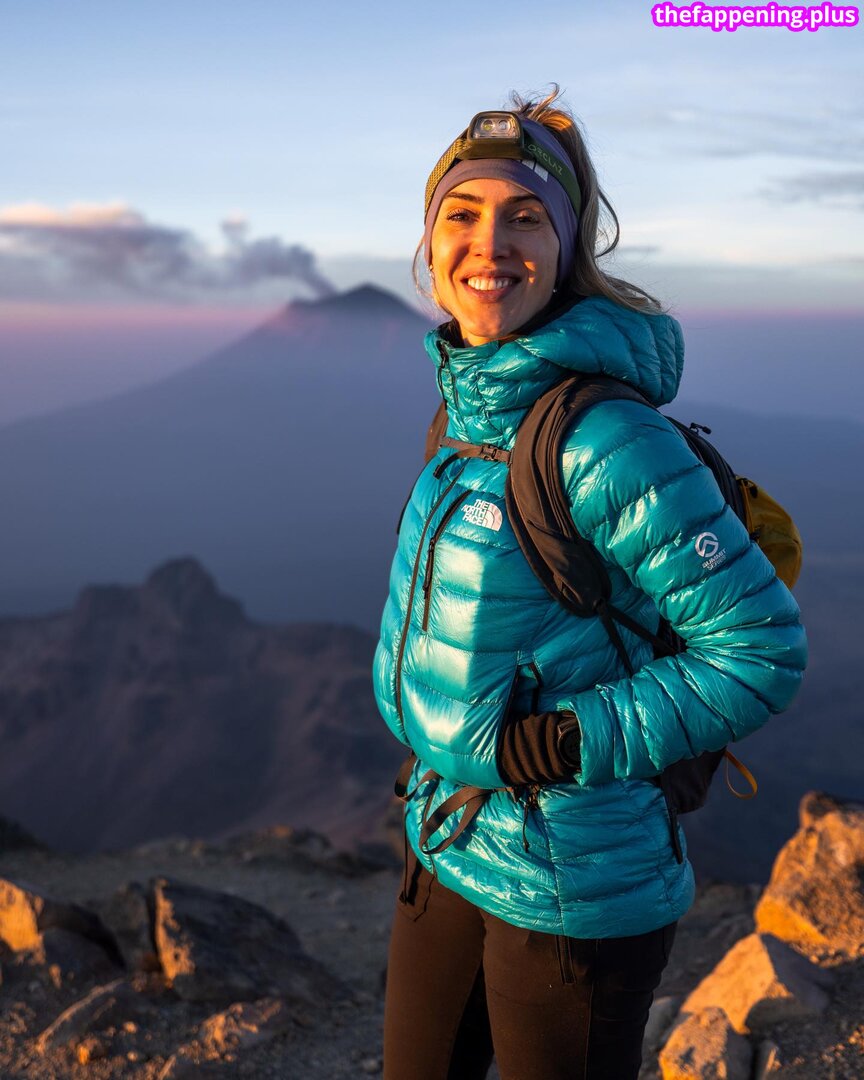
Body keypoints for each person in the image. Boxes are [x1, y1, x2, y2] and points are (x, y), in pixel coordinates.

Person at [372, 87, 807, 1080]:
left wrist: (554, 743)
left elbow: (759, 651)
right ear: (430, 244)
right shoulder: (471, 409)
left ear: (568, 249)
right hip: (449, 835)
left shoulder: (607, 438)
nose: (490, 243)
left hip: (577, 880)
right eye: (462, 213)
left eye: (527, 217)